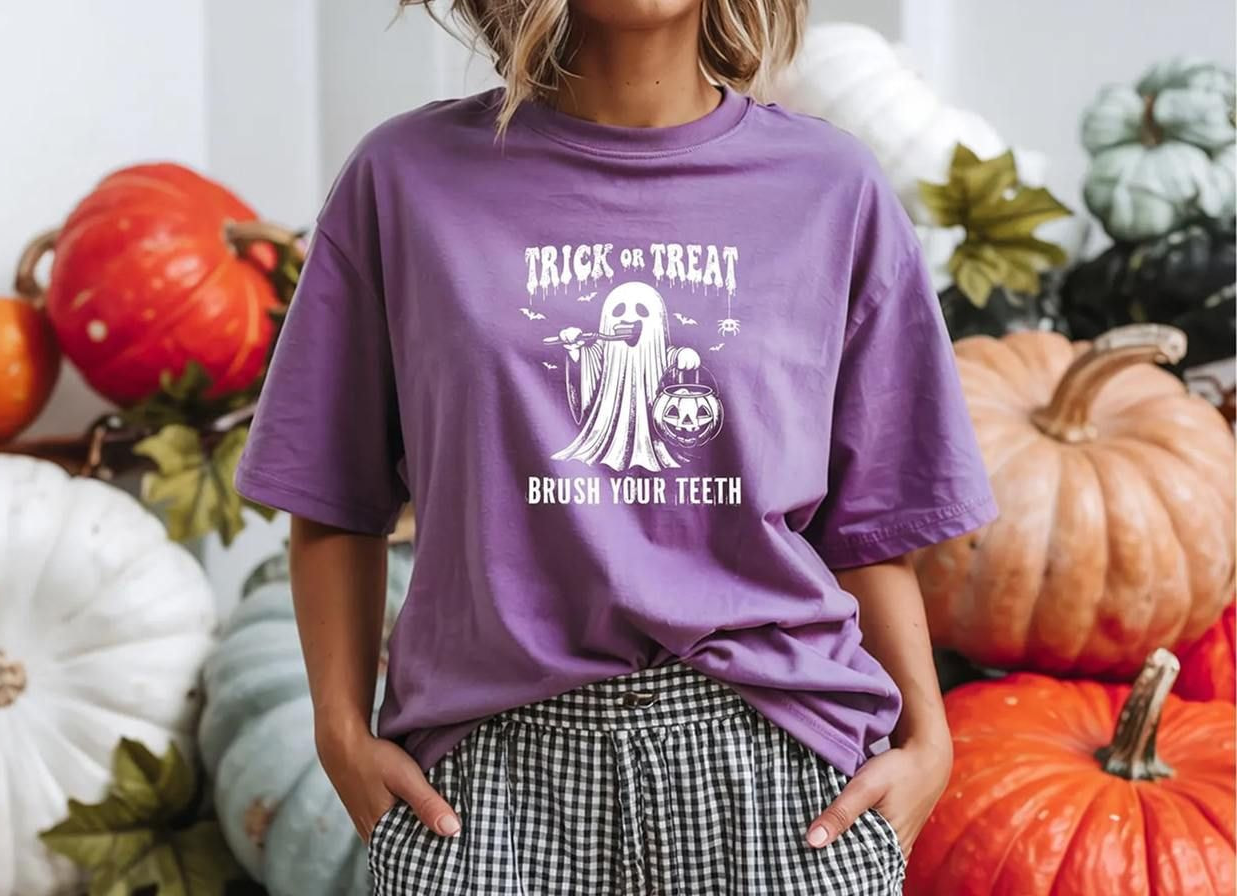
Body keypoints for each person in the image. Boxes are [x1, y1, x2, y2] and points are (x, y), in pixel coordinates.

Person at [233, 1, 999, 893]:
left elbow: (872, 525)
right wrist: (339, 731)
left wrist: (929, 744)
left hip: (778, 773)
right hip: (490, 779)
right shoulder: (403, 182)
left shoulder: (832, 188)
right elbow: (331, 493)